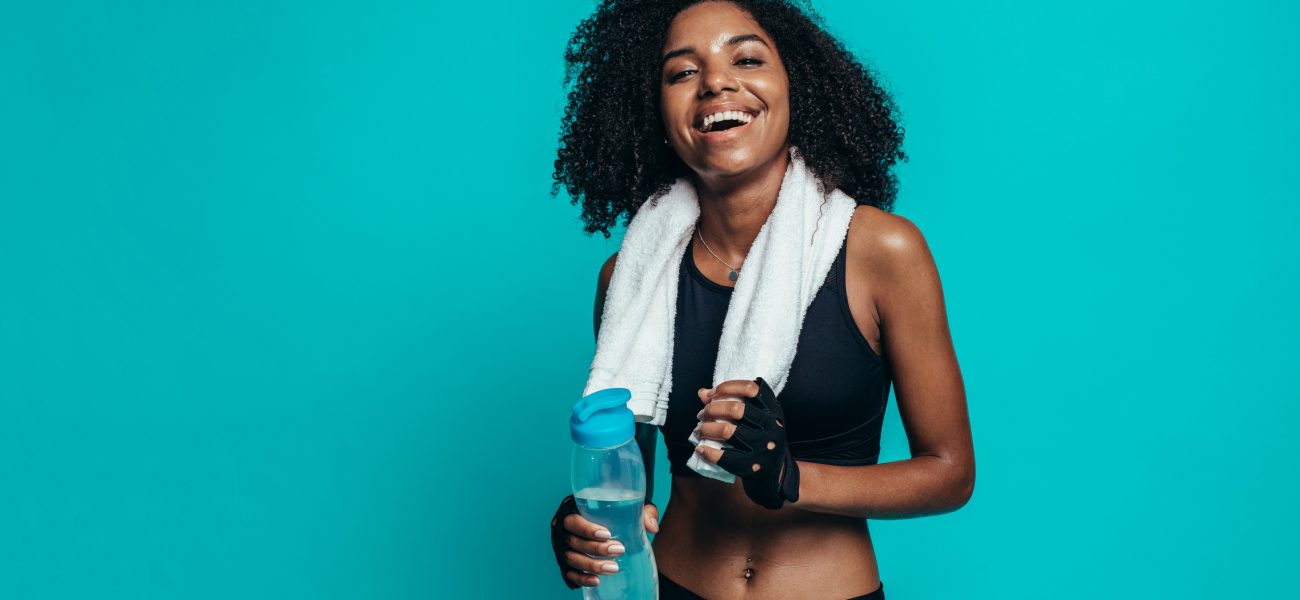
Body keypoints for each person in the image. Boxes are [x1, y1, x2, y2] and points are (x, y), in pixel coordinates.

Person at [548, 1, 974, 598]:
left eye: (745, 58)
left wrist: (792, 477)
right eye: (681, 72)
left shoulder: (883, 251)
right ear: (657, 113)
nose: (716, 82)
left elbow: (950, 475)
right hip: (671, 584)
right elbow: (629, 486)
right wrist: (583, 527)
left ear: (796, 86)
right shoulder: (628, 278)